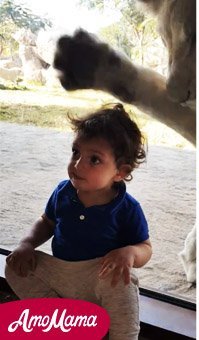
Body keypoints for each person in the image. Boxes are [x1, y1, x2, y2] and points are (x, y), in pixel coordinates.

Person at [5, 103, 151, 340]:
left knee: (124, 282)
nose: (77, 164)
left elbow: (146, 248)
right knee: (14, 266)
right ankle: (64, 319)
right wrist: (27, 244)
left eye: (94, 160)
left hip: (100, 276)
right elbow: (46, 222)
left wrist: (131, 253)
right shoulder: (63, 191)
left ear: (120, 172)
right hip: (61, 272)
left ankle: (122, 335)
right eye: (75, 152)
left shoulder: (127, 208)